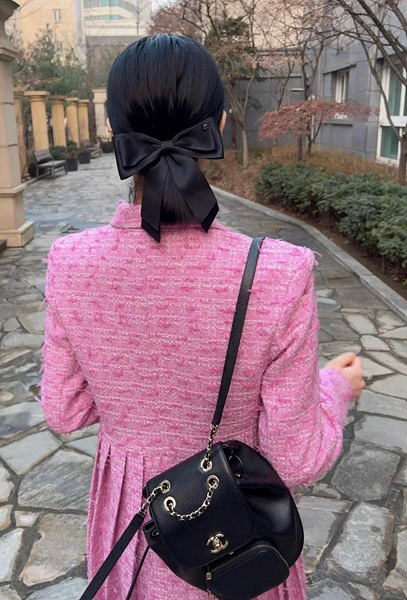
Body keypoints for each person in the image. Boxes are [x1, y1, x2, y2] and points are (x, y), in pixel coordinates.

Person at [38, 33, 365, 600]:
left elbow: (64, 410)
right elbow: (297, 456)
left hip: (134, 529)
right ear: (219, 125)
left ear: (115, 132)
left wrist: (133, 392)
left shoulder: (70, 263)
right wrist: (334, 387)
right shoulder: (278, 271)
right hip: (239, 543)